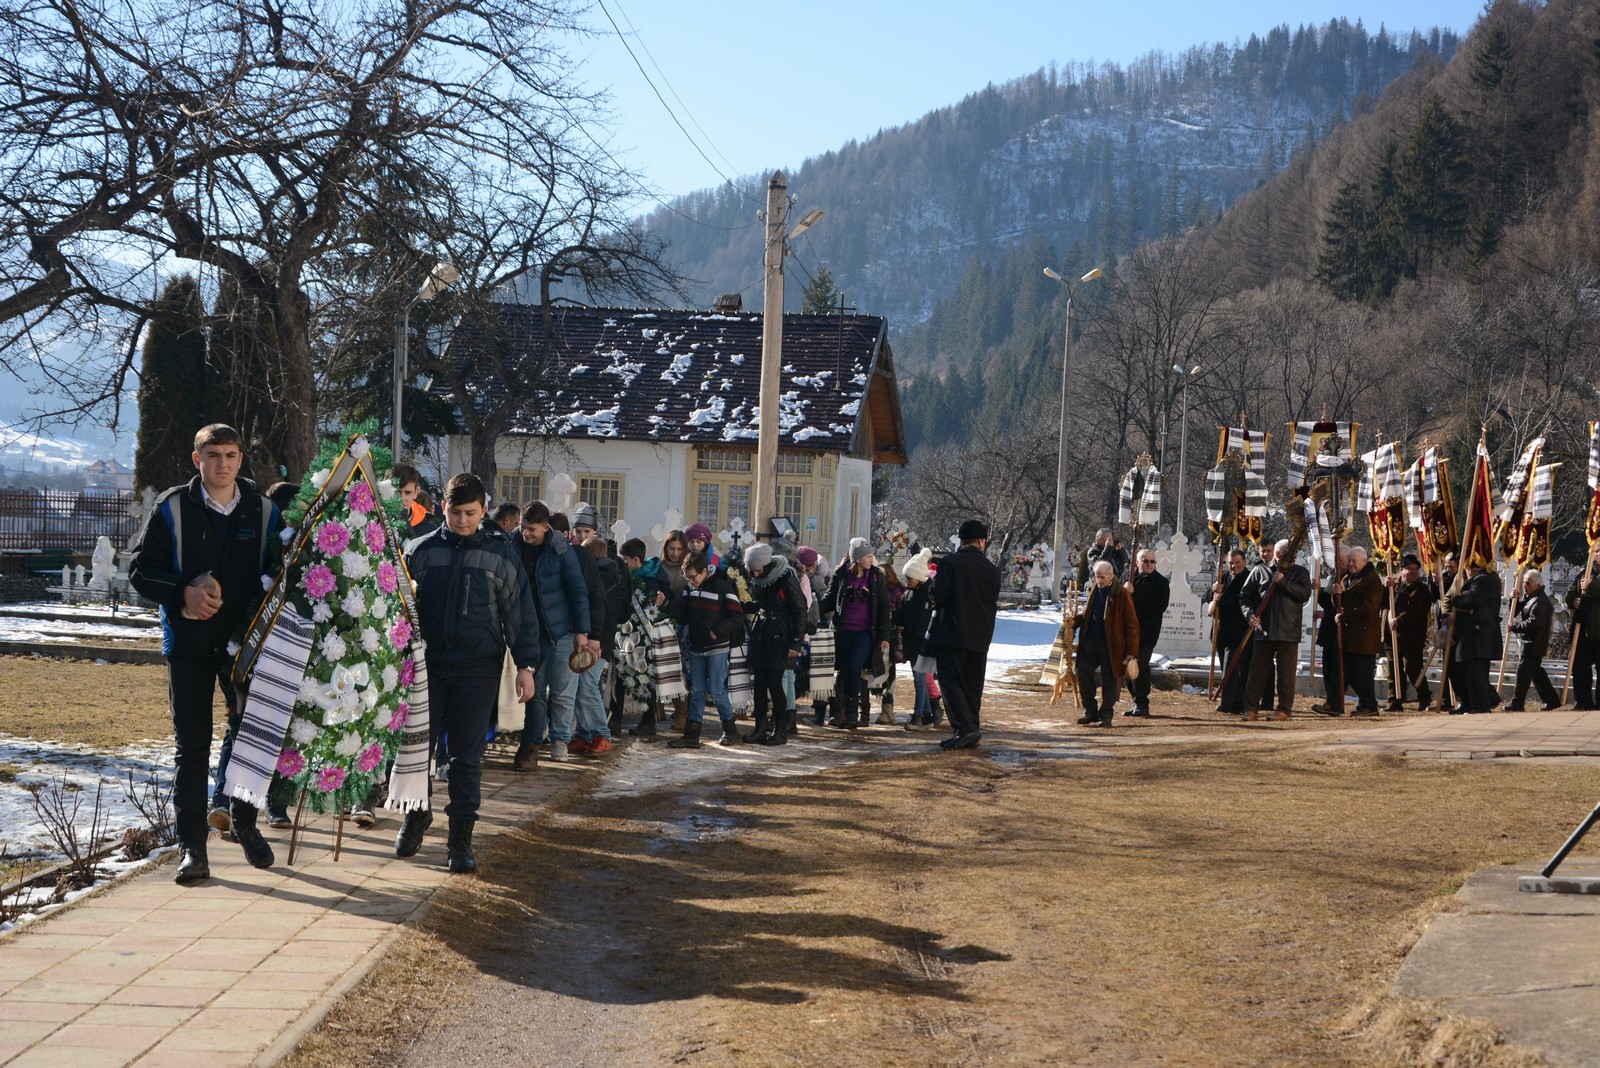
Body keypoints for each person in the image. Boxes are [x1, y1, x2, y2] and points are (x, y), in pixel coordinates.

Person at [128, 424, 284, 885]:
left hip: (245, 648)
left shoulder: (264, 510)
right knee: (192, 748)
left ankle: (245, 821)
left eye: (231, 455)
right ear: (197, 460)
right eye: (213, 455)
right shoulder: (172, 507)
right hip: (190, 646)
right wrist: (182, 593)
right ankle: (192, 849)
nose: (223, 464)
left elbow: (283, 569)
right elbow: (139, 569)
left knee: (253, 738)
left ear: (241, 460)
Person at [401, 474, 538, 874]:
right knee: (415, 751)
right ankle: (416, 813)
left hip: (478, 669)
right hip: (427, 668)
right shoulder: (421, 551)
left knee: (465, 758)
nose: (463, 520)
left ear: (483, 510)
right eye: (455, 512)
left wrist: (526, 666)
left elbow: (520, 614)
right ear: (442, 507)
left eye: (471, 513)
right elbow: (401, 611)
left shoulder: (500, 554)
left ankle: (460, 840)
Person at [513, 501, 591, 765]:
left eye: (532, 530)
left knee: (541, 686)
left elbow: (577, 591)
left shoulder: (560, 550)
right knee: (525, 686)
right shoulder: (513, 544)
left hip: (549, 628)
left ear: (545, 527)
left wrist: (582, 631)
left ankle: (533, 744)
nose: (526, 534)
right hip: (519, 624)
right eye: (523, 528)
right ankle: (521, 738)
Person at [926, 519, 1002, 749]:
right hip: (981, 635)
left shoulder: (951, 563)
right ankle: (972, 728)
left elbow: (937, 596)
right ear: (982, 542)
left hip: (952, 632)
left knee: (949, 682)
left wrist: (932, 587)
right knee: (972, 684)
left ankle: (964, 728)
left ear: (961, 540)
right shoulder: (992, 570)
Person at [668, 552, 746, 748]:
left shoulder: (722, 586)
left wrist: (716, 632)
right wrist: (667, 604)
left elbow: (737, 617)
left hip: (717, 647)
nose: (691, 581)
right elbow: (684, 616)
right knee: (696, 691)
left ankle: (731, 730)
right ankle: (692, 735)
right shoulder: (690, 589)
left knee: (717, 690)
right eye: (687, 577)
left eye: (693, 577)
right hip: (696, 648)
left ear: (704, 571)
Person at [551, 512, 612, 757]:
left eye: (586, 532)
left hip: (584, 635)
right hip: (575, 633)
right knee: (577, 688)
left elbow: (598, 601)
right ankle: (586, 734)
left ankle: (598, 734)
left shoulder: (591, 563)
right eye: (579, 531)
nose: (581, 536)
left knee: (582, 687)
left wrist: (593, 635)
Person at [818, 538, 892, 729]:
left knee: (853, 666)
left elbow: (884, 607)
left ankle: (852, 714)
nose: (871, 559)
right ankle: (840, 712)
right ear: (857, 558)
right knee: (843, 669)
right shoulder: (841, 575)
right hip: (843, 631)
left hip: (865, 632)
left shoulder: (877, 577)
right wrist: (811, 611)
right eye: (868, 556)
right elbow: (829, 599)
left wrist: (884, 636)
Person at [1240, 538, 1312, 721]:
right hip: (1264, 630)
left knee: (1286, 674)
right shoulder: (1259, 571)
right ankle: (1251, 708)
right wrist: (1250, 614)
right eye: (1288, 551)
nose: (1292, 555)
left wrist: (1283, 582)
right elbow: (1246, 596)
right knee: (1257, 671)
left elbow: (1304, 594)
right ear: (1279, 554)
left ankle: (1284, 709)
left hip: (1288, 631)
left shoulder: (1300, 572)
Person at [743, 542, 807, 744]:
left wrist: (796, 642)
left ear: (767, 564)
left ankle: (781, 729)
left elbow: (799, 610)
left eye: (758, 569)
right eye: (751, 570)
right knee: (760, 684)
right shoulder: (758, 579)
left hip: (781, 635)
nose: (754, 574)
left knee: (775, 684)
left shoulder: (786, 576)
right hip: (762, 633)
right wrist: (742, 606)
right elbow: (761, 604)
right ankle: (760, 728)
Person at [1073, 560, 1139, 727]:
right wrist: (1074, 621)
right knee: (1083, 672)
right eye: (1097, 576)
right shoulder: (1094, 589)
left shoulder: (1121, 594)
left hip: (1112, 644)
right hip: (1090, 640)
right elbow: (1089, 613)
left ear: (1111, 576)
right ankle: (1090, 711)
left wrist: (1131, 651)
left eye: (1102, 577)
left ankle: (1106, 714)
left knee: (1110, 678)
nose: (1099, 580)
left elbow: (1132, 624)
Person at [1444, 559, 1502, 714]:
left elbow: (1473, 600)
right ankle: (1472, 702)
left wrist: (1457, 598)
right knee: (1465, 668)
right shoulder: (1484, 578)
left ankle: (1481, 705)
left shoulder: (1483, 579)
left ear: (1472, 568)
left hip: (1478, 633)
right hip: (1470, 632)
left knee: (1475, 671)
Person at [1337, 546, 1385, 716]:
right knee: (1350, 672)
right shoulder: (1348, 577)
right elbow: (1346, 600)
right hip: (1353, 636)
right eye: (1349, 560)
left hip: (1365, 637)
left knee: (1362, 674)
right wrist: (1337, 594)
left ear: (1364, 562)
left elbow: (1369, 608)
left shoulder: (1371, 580)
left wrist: (1346, 616)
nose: (1350, 564)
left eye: (1354, 561)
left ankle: (1369, 706)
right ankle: (1341, 703)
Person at [1384, 553, 1437, 711]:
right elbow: (1382, 603)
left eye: (1415, 569)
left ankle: (1424, 696)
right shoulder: (1394, 587)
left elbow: (1419, 611)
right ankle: (1395, 700)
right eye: (1409, 569)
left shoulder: (1422, 590)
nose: (1413, 572)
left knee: (1412, 668)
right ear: (1401, 571)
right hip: (1391, 635)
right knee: (1393, 668)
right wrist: (1385, 588)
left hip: (1412, 636)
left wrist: (1399, 619)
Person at [897, 548, 941, 730]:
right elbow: (901, 615)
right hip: (912, 642)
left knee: (920, 680)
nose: (907, 582)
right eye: (906, 578)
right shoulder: (908, 594)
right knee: (919, 680)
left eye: (910, 578)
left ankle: (919, 715)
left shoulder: (930, 593)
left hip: (924, 642)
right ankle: (927, 714)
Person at [1506, 571, 1560, 711]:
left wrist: (1515, 627)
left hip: (1535, 643)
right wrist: (1515, 599)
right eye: (1524, 582)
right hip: (1531, 643)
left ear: (1537, 585)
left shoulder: (1540, 601)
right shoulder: (1531, 597)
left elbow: (1535, 623)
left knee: (1523, 672)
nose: (1525, 586)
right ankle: (1552, 700)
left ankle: (1517, 704)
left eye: (1528, 583)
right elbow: (1516, 610)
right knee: (1537, 673)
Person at [1124, 549, 1169, 717]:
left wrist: (1133, 603)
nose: (1149, 564)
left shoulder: (1161, 582)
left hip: (1146, 632)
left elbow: (1158, 607)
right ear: (1137, 562)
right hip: (1127, 631)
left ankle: (1142, 703)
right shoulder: (1127, 578)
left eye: (1152, 561)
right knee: (1128, 666)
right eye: (1145, 561)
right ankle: (1136, 700)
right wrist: (1124, 591)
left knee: (1140, 666)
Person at [1208, 549, 1251, 714]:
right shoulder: (1223, 577)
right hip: (1221, 631)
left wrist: (1222, 598)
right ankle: (1237, 702)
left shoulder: (1248, 578)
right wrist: (1213, 591)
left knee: (1232, 669)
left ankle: (1227, 703)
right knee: (1225, 668)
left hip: (1238, 630)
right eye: (1231, 563)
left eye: (1237, 562)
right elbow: (1208, 597)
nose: (1234, 566)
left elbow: (1243, 601)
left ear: (1244, 562)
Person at [1566, 573, 1600, 709]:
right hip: (1583, 631)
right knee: (1580, 668)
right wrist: (1574, 601)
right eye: (1596, 550)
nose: (1598, 553)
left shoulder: (1590, 580)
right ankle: (1583, 701)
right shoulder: (1585, 572)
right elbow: (1570, 594)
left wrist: (1591, 585)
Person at [392, 463, 440, 542]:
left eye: (408, 493)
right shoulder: (372, 524)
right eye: (396, 492)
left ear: (416, 493)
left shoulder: (431, 534)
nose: (401, 498)